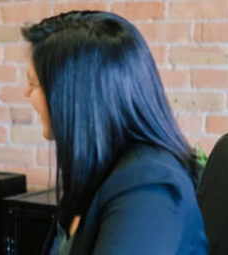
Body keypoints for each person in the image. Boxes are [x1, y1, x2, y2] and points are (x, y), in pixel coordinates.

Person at [21, 11, 207, 255]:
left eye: (34, 84)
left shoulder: (149, 187)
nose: (26, 93)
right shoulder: (97, 170)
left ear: (76, 95)